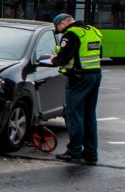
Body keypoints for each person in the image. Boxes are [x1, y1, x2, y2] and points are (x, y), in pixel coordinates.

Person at [44, 13, 102, 165]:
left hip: (78, 78)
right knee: (89, 116)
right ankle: (91, 153)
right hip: (95, 75)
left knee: (74, 115)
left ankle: (74, 151)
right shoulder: (93, 31)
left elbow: (63, 58)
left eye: (59, 29)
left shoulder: (71, 34)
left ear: (63, 23)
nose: (61, 32)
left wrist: (53, 59)